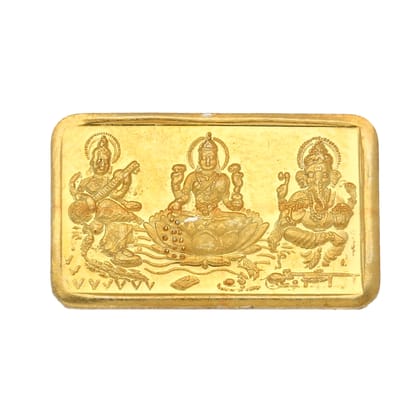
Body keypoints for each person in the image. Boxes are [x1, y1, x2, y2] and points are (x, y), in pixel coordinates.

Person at [268, 138, 356, 268]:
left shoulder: (334, 197)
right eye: (311, 175)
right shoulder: (300, 195)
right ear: (303, 177)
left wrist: (352, 198)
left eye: (324, 175)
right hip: (307, 235)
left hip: (330, 234)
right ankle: (326, 238)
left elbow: (343, 221)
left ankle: (325, 258)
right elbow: (284, 220)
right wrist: (281, 199)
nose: (317, 180)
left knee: (344, 235)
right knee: (288, 232)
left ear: (332, 176)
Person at [69, 136, 142, 266]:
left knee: (112, 214)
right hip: (93, 218)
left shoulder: (109, 181)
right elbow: (77, 196)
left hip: (107, 213)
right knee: (106, 209)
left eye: (106, 161)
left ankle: (120, 249)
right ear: (92, 162)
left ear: (110, 165)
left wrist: (126, 182)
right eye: (99, 160)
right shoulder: (85, 182)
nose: (102, 164)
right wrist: (84, 197)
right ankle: (113, 251)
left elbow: (117, 195)